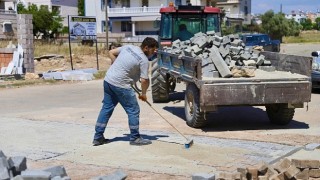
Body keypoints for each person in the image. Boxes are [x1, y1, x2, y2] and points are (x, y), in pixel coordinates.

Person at [93, 37, 158, 146]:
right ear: (146, 48)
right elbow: (145, 80)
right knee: (133, 110)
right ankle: (135, 138)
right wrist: (143, 94)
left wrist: (117, 66)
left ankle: (98, 137)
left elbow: (111, 52)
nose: (153, 52)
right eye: (153, 50)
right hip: (121, 85)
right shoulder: (144, 60)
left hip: (108, 80)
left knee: (106, 108)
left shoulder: (129, 47)